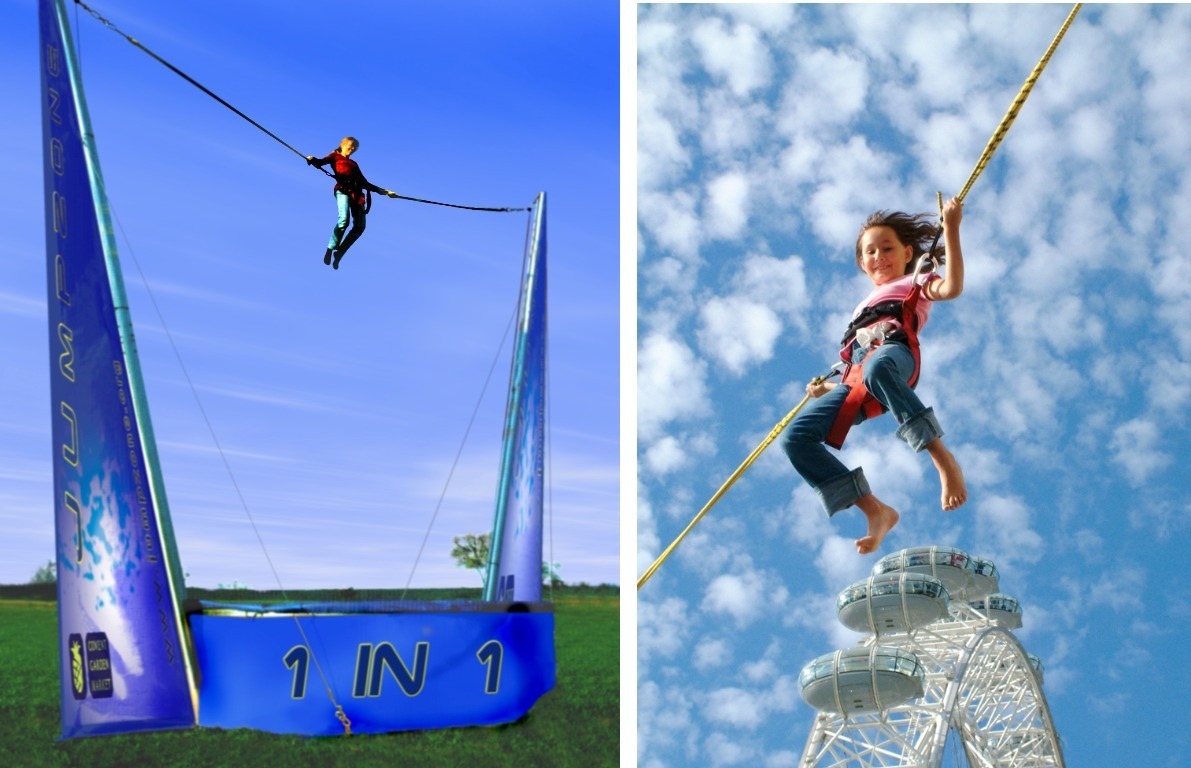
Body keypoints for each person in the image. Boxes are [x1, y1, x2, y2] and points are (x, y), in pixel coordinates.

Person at [782, 198, 968, 555]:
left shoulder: (918, 278)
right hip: (858, 374)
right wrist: (827, 389)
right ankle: (875, 510)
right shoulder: (862, 306)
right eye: (870, 251)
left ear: (907, 252)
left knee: (878, 366)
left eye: (887, 248)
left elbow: (952, 288)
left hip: (895, 356)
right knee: (795, 439)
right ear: (862, 262)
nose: (879, 256)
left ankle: (941, 457)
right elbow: (858, 363)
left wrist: (953, 229)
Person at [306, 137, 398, 269]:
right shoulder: (335, 157)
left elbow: (364, 183)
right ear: (343, 144)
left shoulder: (354, 164)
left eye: (355, 147)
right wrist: (311, 159)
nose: (353, 148)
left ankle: (340, 253)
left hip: (357, 195)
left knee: (360, 226)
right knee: (344, 220)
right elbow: (319, 162)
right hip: (343, 191)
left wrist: (384, 191)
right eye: (351, 145)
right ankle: (330, 249)